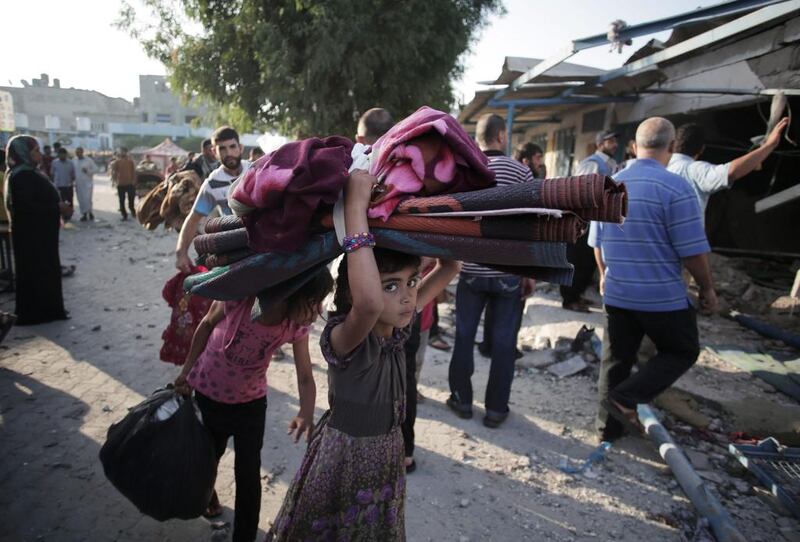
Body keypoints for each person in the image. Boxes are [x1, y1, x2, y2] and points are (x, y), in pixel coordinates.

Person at [267, 170, 460, 541]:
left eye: (411, 283)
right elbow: (370, 303)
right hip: (345, 460)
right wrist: (355, 206)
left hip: (386, 456)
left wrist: (432, 219)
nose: (406, 296)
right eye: (392, 286)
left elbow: (450, 266)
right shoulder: (347, 338)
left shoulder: (396, 327)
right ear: (355, 292)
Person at [175, 269, 333, 542]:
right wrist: (186, 371)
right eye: (313, 302)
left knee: (248, 474)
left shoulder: (296, 326)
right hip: (208, 395)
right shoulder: (240, 300)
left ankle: (245, 536)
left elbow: (305, 375)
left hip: (251, 404)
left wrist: (306, 412)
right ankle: (207, 496)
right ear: (290, 294)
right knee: (207, 459)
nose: (317, 311)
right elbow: (206, 325)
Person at [588, 117, 718, 441]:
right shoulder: (677, 188)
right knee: (682, 351)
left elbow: (597, 243)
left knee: (616, 360)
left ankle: (607, 429)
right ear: (672, 148)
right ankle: (626, 398)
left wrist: (604, 276)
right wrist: (707, 288)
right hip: (662, 298)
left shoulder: (609, 187)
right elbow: (692, 252)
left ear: (634, 146)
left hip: (618, 293)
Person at [447, 113, 535, 429]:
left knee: (464, 337)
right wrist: (529, 272)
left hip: (470, 270)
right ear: (501, 136)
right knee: (503, 343)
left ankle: (461, 400)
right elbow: (531, 223)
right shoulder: (521, 171)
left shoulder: (465, 170)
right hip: (508, 271)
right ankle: (496, 409)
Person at [5, 136, 69, 325]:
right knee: (36, 273)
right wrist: (57, 209)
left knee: (44, 272)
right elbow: (26, 209)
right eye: (35, 151)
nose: (39, 154)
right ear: (23, 153)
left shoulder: (28, 173)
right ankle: (38, 313)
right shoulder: (21, 177)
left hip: (39, 235)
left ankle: (48, 309)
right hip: (32, 237)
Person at [667, 118, 789, 215]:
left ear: (673, 145)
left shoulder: (659, 167)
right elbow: (731, 171)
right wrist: (769, 146)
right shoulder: (693, 170)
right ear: (702, 149)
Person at [175, 126, 250, 272]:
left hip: (263, 240)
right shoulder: (212, 184)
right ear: (214, 152)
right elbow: (193, 219)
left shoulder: (255, 170)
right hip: (233, 247)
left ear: (240, 148)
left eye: (232, 147)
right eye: (222, 149)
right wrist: (181, 253)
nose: (229, 153)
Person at [560, 131, 619, 312]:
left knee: (588, 263)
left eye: (615, 140)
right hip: (583, 224)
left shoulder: (611, 165)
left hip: (596, 223)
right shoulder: (592, 164)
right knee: (577, 263)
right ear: (601, 144)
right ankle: (569, 300)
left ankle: (577, 295)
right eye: (611, 141)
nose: (615, 144)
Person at [110, 147, 137, 221]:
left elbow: (134, 171)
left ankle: (132, 210)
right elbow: (114, 172)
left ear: (126, 153)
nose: (123, 153)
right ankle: (124, 214)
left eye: (124, 152)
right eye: (122, 152)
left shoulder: (131, 162)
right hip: (120, 183)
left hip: (130, 183)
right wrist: (114, 181)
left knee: (131, 199)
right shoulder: (117, 162)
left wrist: (134, 181)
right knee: (121, 200)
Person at [50, 147, 76, 221]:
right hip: (58, 185)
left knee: (69, 201)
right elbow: (52, 174)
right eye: (60, 154)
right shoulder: (54, 162)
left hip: (68, 185)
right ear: (58, 155)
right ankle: (61, 215)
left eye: (63, 154)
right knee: (59, 201)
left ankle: (69, 215)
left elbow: (73, 174)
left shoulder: (71, 163)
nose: (62, 156)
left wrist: (71, 182)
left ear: (66, 154)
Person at [73, 147, 98, 221]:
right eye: (76, 152)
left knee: (88, 198)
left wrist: (88, 171)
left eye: (79, 152)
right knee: (81, 199)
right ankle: (84, 214)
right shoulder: (74, 161)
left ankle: (90, 212)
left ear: (82, 152)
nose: (78, 154)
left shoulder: (88, 160)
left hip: (87, 183)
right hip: (78, 184)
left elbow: (96, 169)